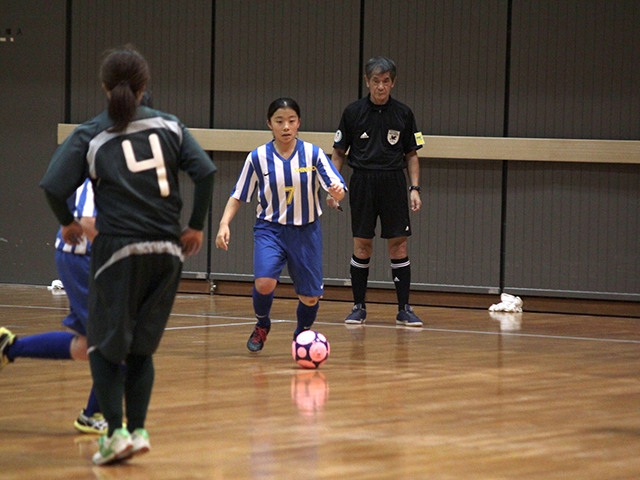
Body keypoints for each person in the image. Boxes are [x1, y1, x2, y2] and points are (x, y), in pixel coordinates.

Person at [39, 46, 216, 465]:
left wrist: (66, 222)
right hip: (168, 250)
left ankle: (114, 433)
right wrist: (194, 226)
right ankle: (137, 430)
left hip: (118, 249)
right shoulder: (171, 126)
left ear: (104, 87)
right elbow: (206, 171)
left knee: (102, 345)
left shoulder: (92, 133)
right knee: (140, 349)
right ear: (144, 85)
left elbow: (51, 185)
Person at [215, 97, 346, 352]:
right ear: (269, 124)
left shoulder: (313, 153)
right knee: (264, 282)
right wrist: (223, 224)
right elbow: (239, 194)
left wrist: (336, 193)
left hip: (306, 231)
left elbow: (336, 187)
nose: (286, 126)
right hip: (270, 230)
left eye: (291, 121)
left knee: (310, 297)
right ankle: (262, 324)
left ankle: (301, 335)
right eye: (279, 121)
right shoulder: (257, 158)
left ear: (299, 123)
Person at [0, 179, 107, 434]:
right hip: (83, 259)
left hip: (86, 259)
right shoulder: (102, 166)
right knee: (116, 341)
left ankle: (9, 347)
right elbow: (88, 222)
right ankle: (93, 414)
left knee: (86, 346)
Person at [328, 56, 424, 327]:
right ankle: (358, 307)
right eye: (375, 81)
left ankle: (404, 309)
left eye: (385, 81)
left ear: (392, 83)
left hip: (393, 183)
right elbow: (338, 153)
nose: (380, 87)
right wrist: (333, 186)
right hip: (362, 183)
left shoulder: (403, 113)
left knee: (399, 244)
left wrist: (414, 188)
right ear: (367, 82)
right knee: (362, 244)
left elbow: (411, 155)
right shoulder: (353, 112)